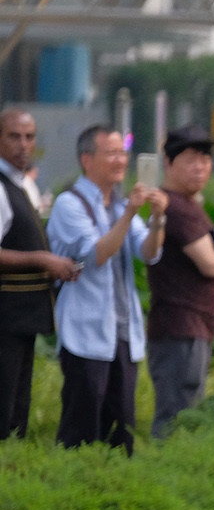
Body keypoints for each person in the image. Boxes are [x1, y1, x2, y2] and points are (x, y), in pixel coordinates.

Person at [46, 125, 165, 453]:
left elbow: (149, 252)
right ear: (87, 159)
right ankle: (72, 494)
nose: (120, 160)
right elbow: (95, 254)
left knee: (121, 429)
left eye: (122, 152)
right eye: (111, 153)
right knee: (81, 429)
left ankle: (114, 496)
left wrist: (157, 219)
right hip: (85, 334)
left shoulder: (118, 205)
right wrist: (130, 213)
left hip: (122, 333)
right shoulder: (69, 204)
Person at [145, 125, 214, 439]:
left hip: (191, 330)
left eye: (205, 159)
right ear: (168, 163)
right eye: (191, 159)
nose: (201, 166)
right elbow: (211, 263)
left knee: (186, 414)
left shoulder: (190, 206)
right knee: (178, 419)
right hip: (180, 329)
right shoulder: (174, 207)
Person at [0, 109, 80, 439]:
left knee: (17, 407)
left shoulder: (24, 186)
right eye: (14, 136)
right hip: (4, 316)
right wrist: (42, 259)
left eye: (29, 137)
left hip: (23, 316)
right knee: (3, 408)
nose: (23, 145)